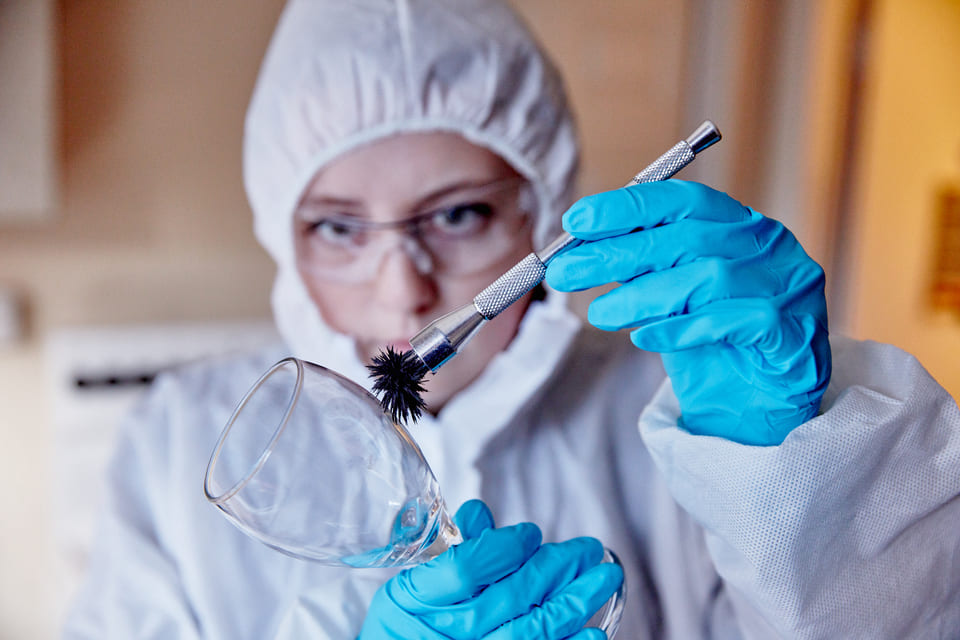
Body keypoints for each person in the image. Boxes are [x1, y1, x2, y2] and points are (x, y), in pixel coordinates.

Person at [63, 0, 960, 638]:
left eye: (458, 215)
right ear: (280, 231)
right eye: (339, 227)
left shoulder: (687, 410)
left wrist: (794, 482)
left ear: (542, 210)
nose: (402, 294)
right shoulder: (178, 442)